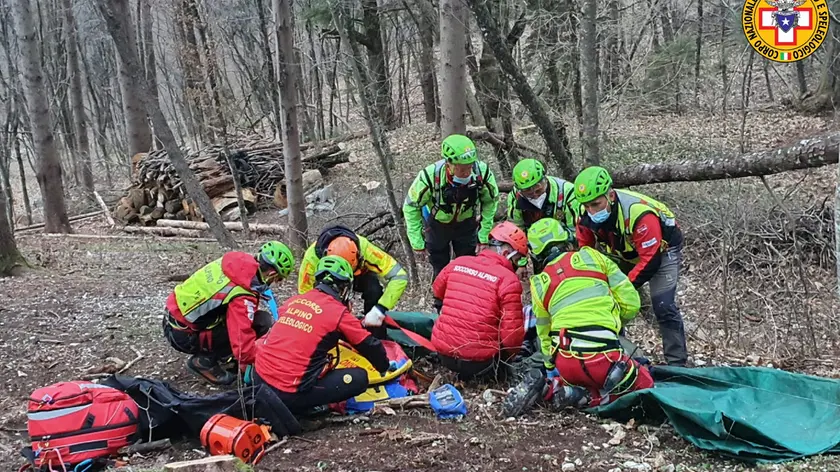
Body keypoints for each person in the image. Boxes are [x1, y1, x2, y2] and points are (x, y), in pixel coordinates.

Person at [527, 218, 653, 408]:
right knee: (646, 385)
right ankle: (598, 398)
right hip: (604, 357)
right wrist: (612, 324)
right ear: (567, 238)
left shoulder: (538, 283)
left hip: (566, 363)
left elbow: (544, 332)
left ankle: (569, 392)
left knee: (585, 377)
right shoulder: (593, 257)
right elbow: (631, 303)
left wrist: (550, 367)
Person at [573, 166, 688, 366]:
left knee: (663, 304)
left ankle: (677, 362)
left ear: (610, 195)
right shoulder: (583, 213)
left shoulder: (639, 214)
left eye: (596, 204)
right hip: (624, 250)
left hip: (662, 250)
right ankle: (616, 355)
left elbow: (650, 260)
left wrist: (623, 287)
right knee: (608, 302)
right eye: (586, 206)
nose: (591, 211)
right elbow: (586, 251)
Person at [254, 255, 391, 414]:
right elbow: (369, 344)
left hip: (260, 379)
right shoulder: (338, 313)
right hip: (287, 392)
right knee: (359, 378)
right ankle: (306, 408)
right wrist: (384, 367)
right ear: (344, 288)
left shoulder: (294, 301)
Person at [163, 241, 295, 386]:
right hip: (183, 334)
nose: (275, 282)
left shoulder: (237, 262)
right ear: (272, 274)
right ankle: (204, 362)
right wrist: (255, 362)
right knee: (262, 323)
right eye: (278, 279)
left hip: (174, 317)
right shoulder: (242, 293)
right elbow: (242, 337)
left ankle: (224, 355)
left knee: (254, 320)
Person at [430, 221, 527, 381]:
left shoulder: (458, 263)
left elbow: (437, 291)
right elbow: (512, 336)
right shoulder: (508, 280)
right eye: (516, 259)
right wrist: (510, 358)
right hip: (481, 364)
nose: (516, 265)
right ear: (506, 252)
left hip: (444, 355)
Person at [403, 134, 500, 279]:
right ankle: (440, 300)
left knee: (469, 267)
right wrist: (416, 240)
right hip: (437, 226)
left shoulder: (482, 173)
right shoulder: (430, 176)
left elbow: (491, 202)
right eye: (462, 169)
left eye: (469, 167)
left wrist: (484, 233)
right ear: (449, 163)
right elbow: (411, 206)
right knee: (440, 268)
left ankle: (467, 298)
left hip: (466, 225)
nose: (467, 172)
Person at [298, 225, 408, 331]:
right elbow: (305, 295)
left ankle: (375, 337)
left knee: (373, 289)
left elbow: (399, 275)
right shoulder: (311, 258)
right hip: (329, 281)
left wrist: (380, 309)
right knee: (329, 300)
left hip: (360, 276)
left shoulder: (364, 248)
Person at [507, 158, 579, 233]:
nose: (535, 196)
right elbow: (516, 228)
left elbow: (575, 230)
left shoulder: (568, 193)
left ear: (545, 180)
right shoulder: (515, 197)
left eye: (538, 191)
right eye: (529, 193)